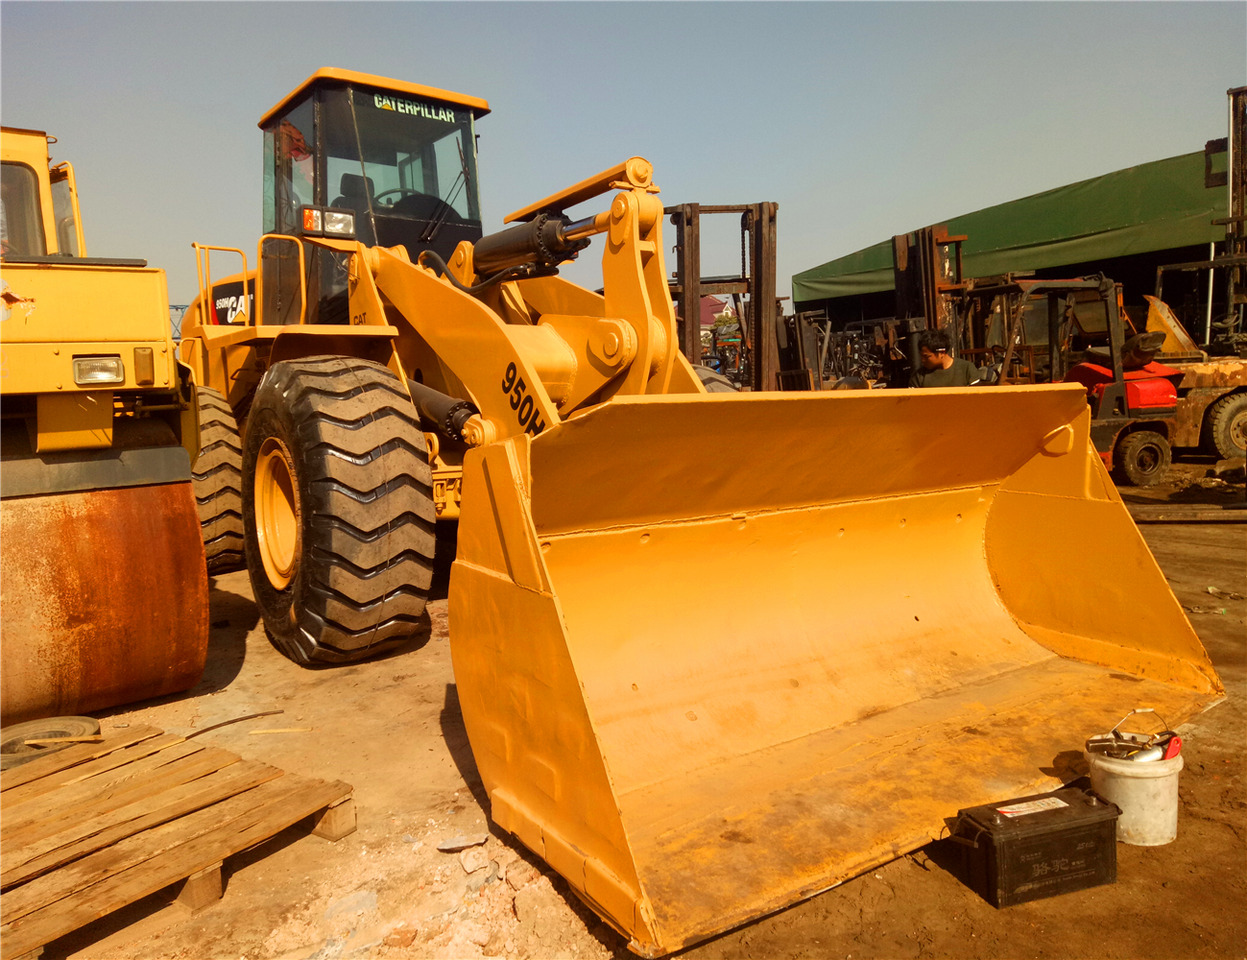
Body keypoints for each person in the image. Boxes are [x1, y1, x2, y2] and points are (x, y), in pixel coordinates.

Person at [909, 329, 982, 387]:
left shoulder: (967, 369)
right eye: (921, 356)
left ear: (942, 352)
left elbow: (977, 399)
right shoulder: (919, 377)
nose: (922, 360)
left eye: (926, 356)